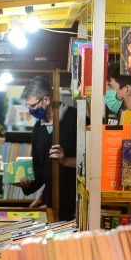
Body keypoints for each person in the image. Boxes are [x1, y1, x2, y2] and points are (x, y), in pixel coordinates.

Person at [14, 76, 78, 220]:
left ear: (46, 99)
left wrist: (66, 160)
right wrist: (26, 184)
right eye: (28, 107)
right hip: (52, 205)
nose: (31, 111)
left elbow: (93, 162)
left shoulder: (76, 119)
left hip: (77, 206)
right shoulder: (38, 128)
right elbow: (39, 169)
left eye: (33, 106)